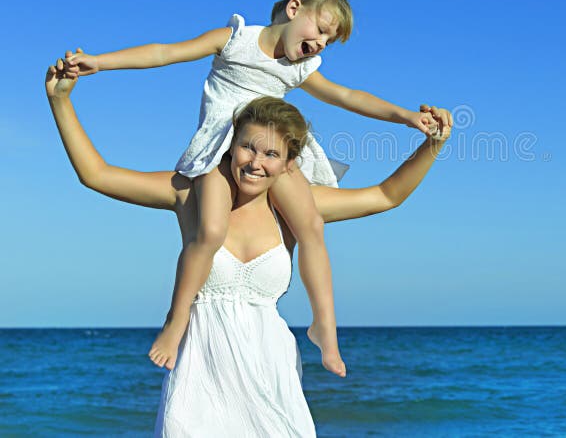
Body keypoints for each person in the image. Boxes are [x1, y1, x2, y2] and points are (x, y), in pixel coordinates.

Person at [46, 59, 451, 436]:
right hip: (199, 372)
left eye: (271, 154)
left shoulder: (297, 208)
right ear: (230, 144)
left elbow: (385, 195)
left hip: (269, 370)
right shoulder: (191, 195)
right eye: (248, 148)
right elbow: (96, 175)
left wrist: (433, 144)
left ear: (289, 162)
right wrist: (60, 101)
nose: (256, 162)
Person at [63, 0, 438, 373]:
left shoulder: (300, 69)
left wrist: (407, 117)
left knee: (310, 223)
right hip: (221, 151)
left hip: (267, 148)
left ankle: (325, 329)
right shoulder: (235, 39)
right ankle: (176, 321)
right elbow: (164, 53)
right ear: (294, 10)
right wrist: (101, 62)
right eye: (321, 30)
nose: (321, 44)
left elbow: (348, 97)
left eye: (329, 41)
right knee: (209, 232)